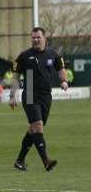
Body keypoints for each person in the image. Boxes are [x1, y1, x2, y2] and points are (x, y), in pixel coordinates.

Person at [10, 27, 68, 172]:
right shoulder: (24, 56)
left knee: (33, 129)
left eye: (38, 37)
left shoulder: (53, 54)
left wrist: (64, 81)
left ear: (44, 39)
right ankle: (46, 161)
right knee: (38, 125)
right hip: (29, 93)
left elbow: (61, 69)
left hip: (46, 96)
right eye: (33, 38)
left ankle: (20, 160)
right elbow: (15, 76)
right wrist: (12, 95)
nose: (35, 40)